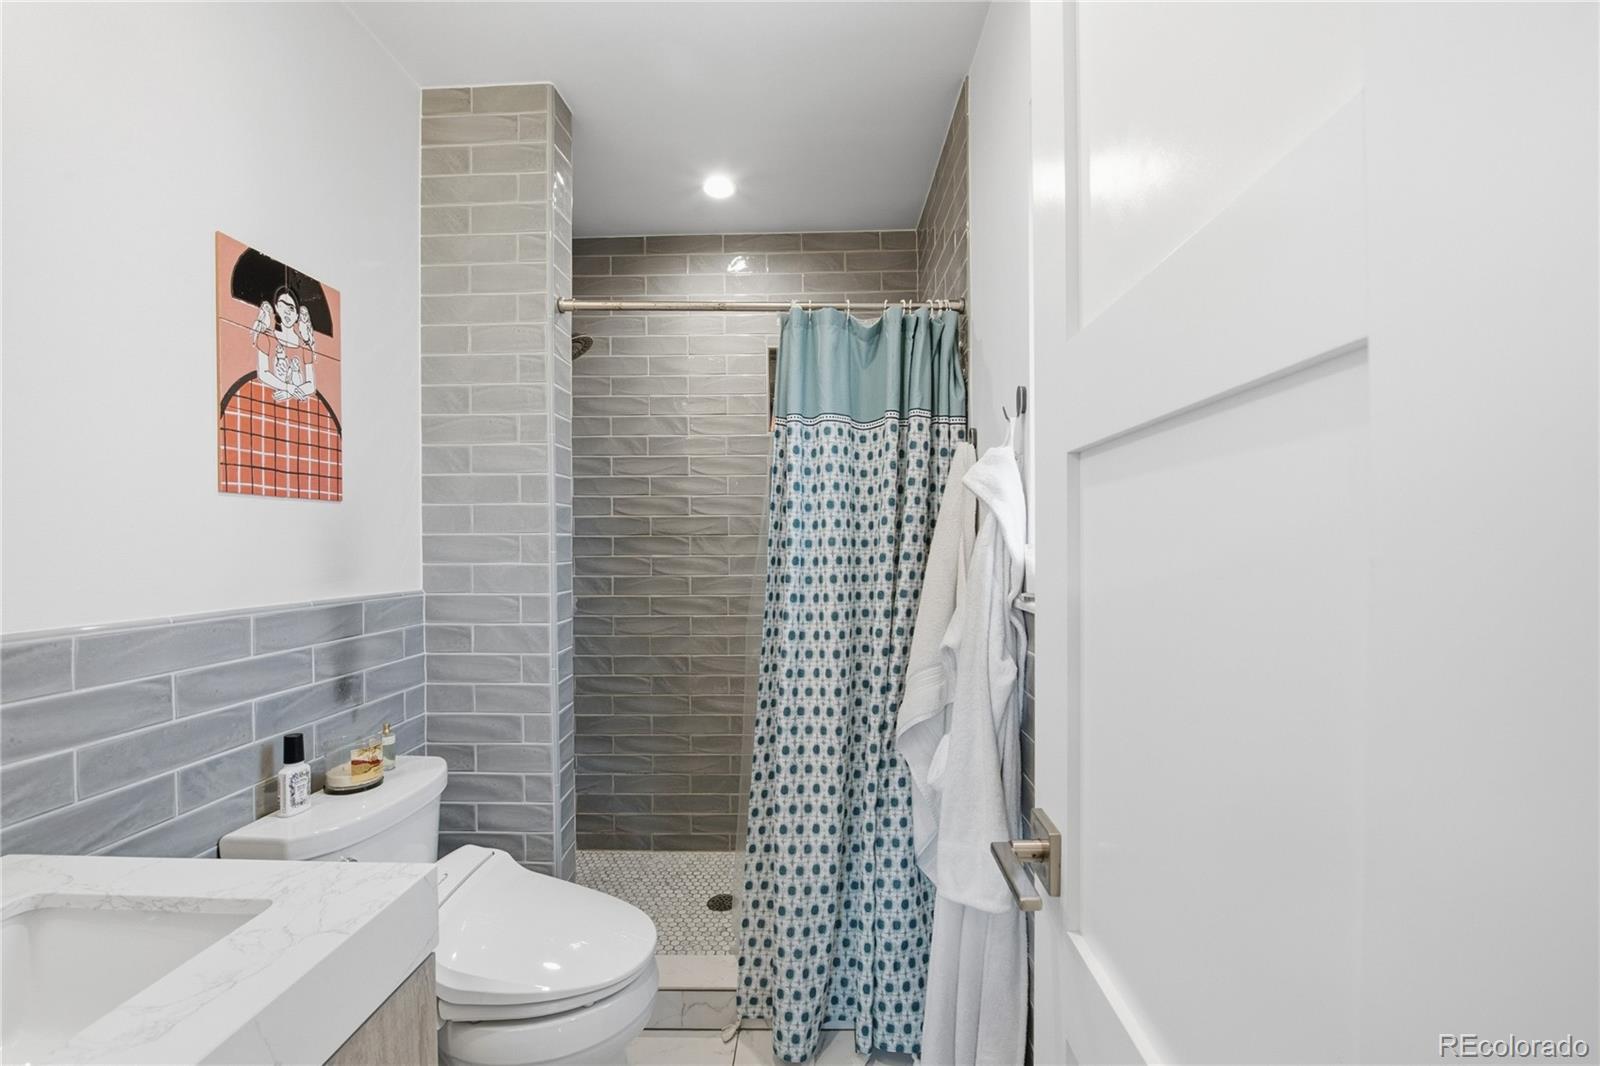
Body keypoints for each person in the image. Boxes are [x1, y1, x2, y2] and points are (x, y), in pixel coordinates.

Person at [250, 284, 317, 402]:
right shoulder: (267, 337)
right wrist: (289, 388)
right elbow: (264, 374)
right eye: (282, 306)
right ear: (276, 307)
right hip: (266, 399)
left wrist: (289, 393)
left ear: (297, 314)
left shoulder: (305, 347)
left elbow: (311, 384)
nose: (287, 312)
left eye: (291, 308)